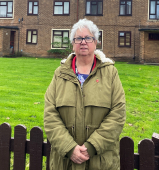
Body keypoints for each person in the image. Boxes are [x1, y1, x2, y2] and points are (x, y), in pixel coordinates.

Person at [44, 19, 126, 170]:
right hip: (65, 163)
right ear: (73, 43)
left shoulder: (110, 73)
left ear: (95, 42)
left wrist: (92, 147)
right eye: (78, 38)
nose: (83, 42)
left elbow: (118, 114)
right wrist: (69, 148)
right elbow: (50, 115)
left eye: (88, 38)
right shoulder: (60, 74)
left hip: (101, 162)